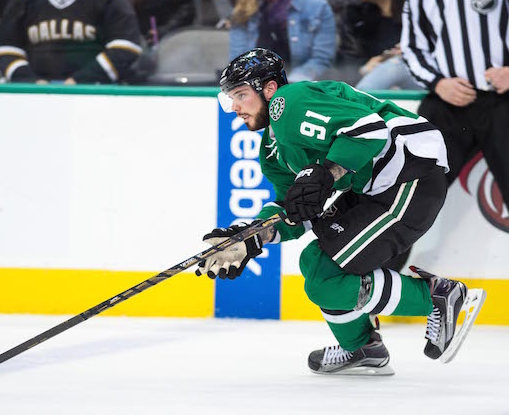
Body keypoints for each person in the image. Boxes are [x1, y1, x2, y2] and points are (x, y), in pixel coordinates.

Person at [197, 48, 486, 375]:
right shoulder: (272, 151)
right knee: (316, 265)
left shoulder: (289, 102)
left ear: (269, 89)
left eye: (240, 94)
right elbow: (294, 209)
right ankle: (362, 348)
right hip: (373, 185)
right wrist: (251, 237)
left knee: (326, 280)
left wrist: (326, 174)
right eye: (228, 99)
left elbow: (368, 130)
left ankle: (436, 297)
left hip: (409, 174)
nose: (233, 107)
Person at [401, 0, 509, 206]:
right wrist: (437, 83)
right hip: (448, 102)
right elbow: (412, 47)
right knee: (413, 193)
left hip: (504, 101)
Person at [0, 0, 143, 84]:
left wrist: (80, 81)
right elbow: (6, 51)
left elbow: (125, 47)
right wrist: (32, 82)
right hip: (35, 96)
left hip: (95, 93)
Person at [228, 0, 335, 82]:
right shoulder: (243, 9)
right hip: (255, 88)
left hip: (301, 88)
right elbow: (238, 60)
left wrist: (287, 86)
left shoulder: (318, 8)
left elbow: (321, 59)